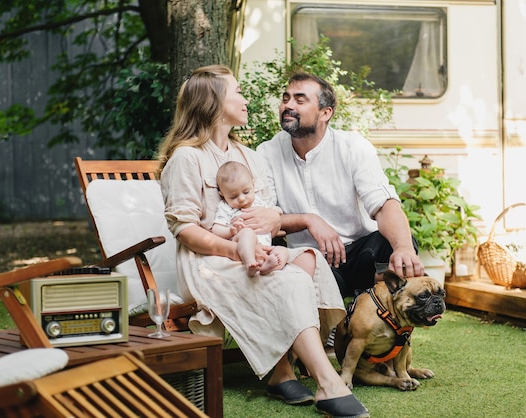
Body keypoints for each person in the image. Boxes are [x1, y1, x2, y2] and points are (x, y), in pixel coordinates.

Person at [156, 65, 369, 418]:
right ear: (212, 103)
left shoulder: (248, 156)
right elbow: (186, 231)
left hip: (255, 249)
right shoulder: (186, 157)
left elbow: (268, 214)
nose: (245, 98)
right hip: (209, 261)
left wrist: (269, 246)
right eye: (236, 91)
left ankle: (282, 370)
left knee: (308, 261)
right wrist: (238, 250)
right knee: (290, 279)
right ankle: (327, 383)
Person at [257, 72, 424, 298]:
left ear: (326, 113)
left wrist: (403, 247)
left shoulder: (353, 147)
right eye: (286, 99)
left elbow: (384, 204)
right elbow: (266, 219)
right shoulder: (267, 152)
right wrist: (309, 220)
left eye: (300, 99)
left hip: (360, 254)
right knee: (303, 267)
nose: (288, 105)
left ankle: (386, 321)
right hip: (310, 260)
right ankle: (335, 326)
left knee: (397, 245)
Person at [212, 161, 288, 277]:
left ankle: (267, 266)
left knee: (283, 251)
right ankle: (250, 263)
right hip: (241, 244)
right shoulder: (225, 207)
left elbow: (270, 214)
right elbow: (216, 229)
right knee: (247, 233)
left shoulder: (258, 201)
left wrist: (274, 211)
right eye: (233, 196)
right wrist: (231, 231)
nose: (242, 199)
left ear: (253, 185)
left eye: (246, 192)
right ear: (222, 194)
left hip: (265, 247)